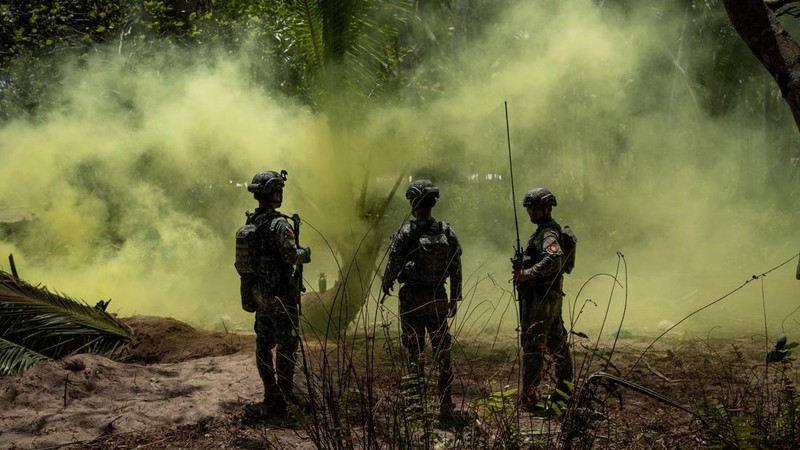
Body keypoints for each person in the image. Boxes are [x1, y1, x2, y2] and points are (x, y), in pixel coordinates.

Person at [381, 179, 463, 420]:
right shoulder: (447, 231)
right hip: (438, 297)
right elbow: (456, 267)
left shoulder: (406, 232)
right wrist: (454, 298)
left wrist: (386, 284)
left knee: (414, 352)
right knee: (442, 351)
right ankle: (446, 403)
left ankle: (415, 407)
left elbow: (393, 263)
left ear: (414, 202)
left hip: (412, 300)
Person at [234, 170, 311, 417]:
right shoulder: (279, 224)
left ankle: (271, 396)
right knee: (287, 345)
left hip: (260, 295)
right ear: (274, 192)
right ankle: (285, 396)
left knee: (263, 345)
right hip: (282, 296)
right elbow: (290, 256)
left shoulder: (251, 223)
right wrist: (305, 253)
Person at [512, 187, 574, 413]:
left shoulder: (548, 235)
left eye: (536, 208)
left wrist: (527, 274)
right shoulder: (544, 232)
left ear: (548, 208)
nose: (531, 212)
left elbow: (555, 259)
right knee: (557, 344)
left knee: (533, 346)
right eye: (529, 208)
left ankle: (529, 398)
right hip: (548, 298)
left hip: (541, 300)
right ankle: (564, 395)